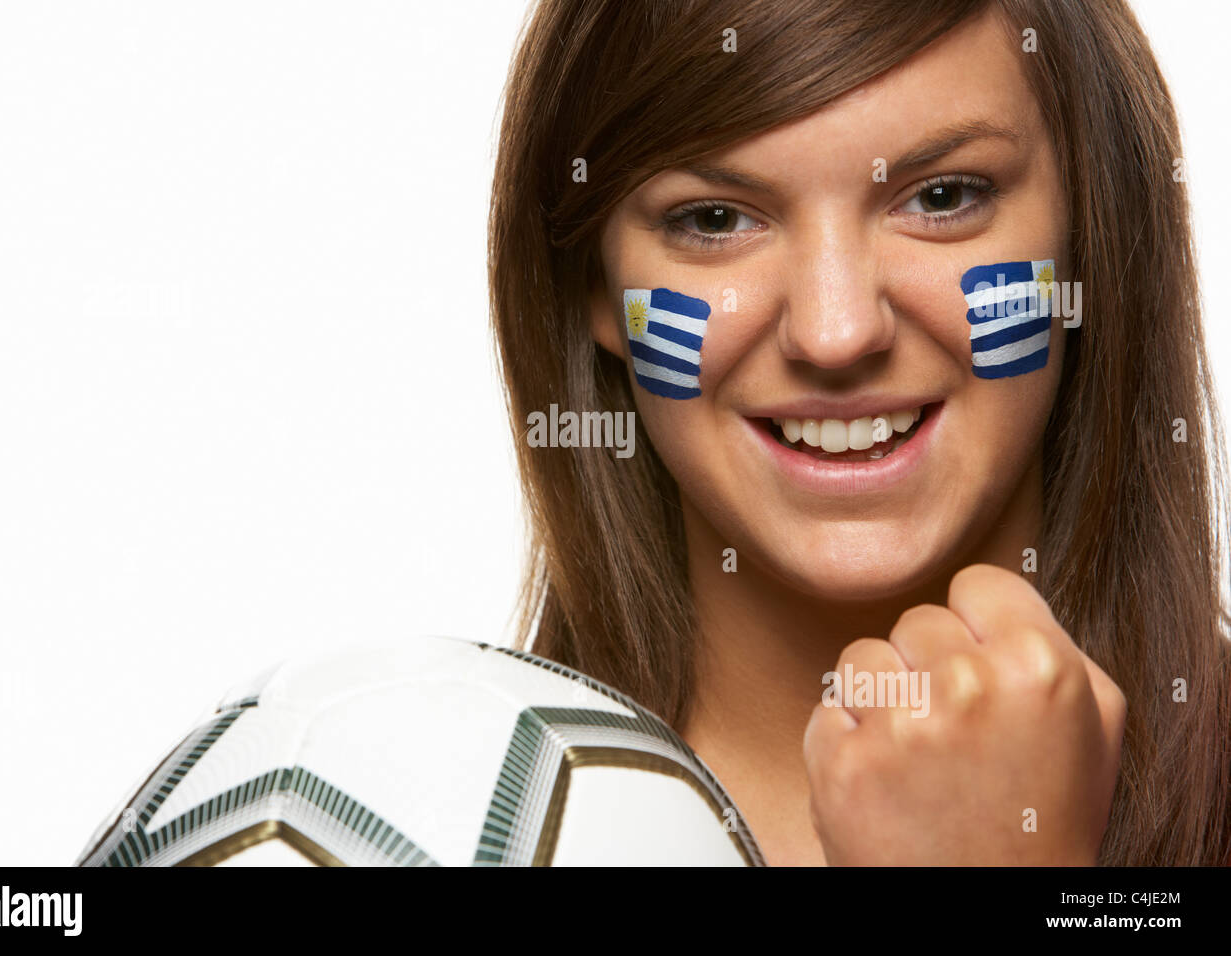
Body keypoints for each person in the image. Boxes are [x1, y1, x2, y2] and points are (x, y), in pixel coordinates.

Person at [488, 0, 1231, 865]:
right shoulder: (414, 821)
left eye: (943, 197)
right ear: (594, 287)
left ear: (1091, 245)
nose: (835, 333)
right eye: (715, 220)